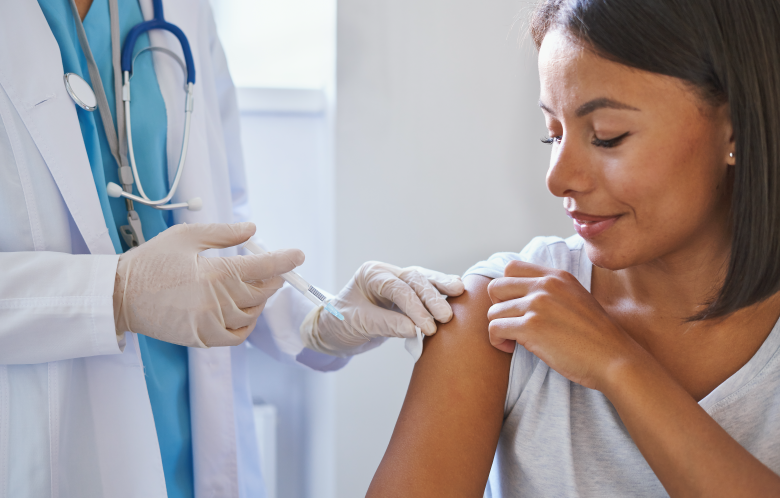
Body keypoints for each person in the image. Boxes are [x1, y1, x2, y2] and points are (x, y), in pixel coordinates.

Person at [0, 0, 465, 497]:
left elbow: (222, 228)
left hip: (187, 445)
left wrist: (313, 321)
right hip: (49, 444)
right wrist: (115, 293)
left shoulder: (183, 12)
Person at [368, 0, 780, 496]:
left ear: (735, 128)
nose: (558, 178)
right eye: (552, 135)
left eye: (607, 137)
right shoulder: (499, 310)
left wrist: (619, 366)